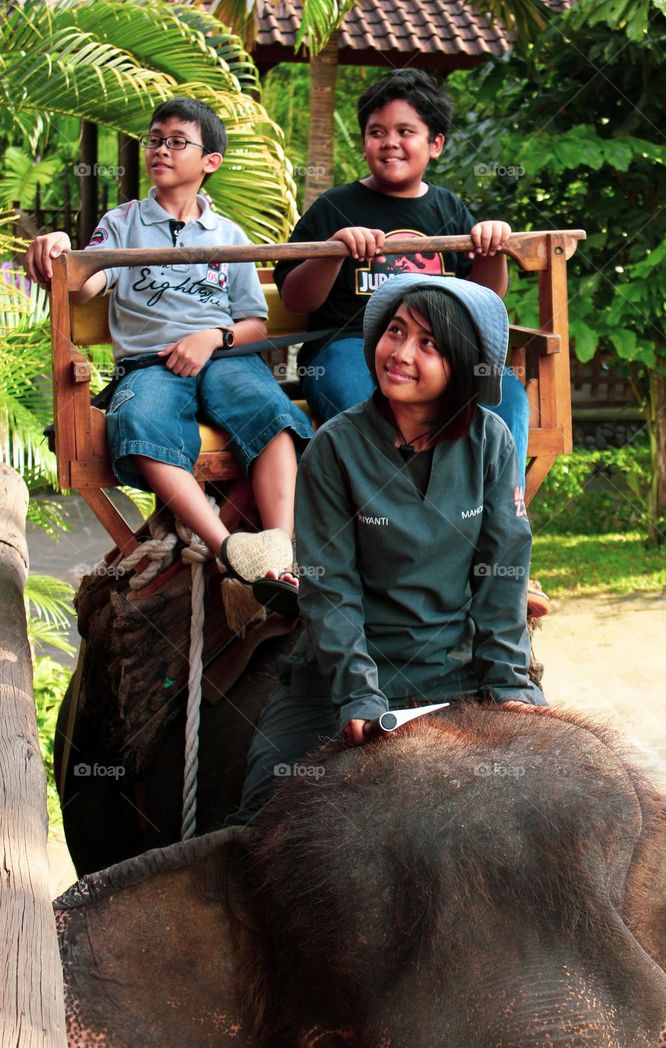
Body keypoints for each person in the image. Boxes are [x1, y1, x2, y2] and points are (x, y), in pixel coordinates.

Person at [234, 273, 547, 823]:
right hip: (341, 679)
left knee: (552, 800)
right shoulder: (335, 447)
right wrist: (358, 694)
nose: (400, 353)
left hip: (458, 670)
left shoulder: (491, 441)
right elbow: (329, 586)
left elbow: (502, 574)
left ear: (463, 364)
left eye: (428, 343)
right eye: (395, 332)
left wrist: (507, 685)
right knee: (263, 807)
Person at [276, 67, 549, 617]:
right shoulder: (334, 208)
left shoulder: (447, 209)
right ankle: (402, 555)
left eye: (406, 131)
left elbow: (483, 299)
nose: (390, 143)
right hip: (351, 349)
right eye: (377, 131)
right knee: (370, 403)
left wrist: (491, 249)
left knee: (507, 396)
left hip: (440, 353)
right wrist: (334, 251)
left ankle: (503, 557)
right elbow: (296, 297)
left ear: (436, 144)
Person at [25, 97, 312, 611]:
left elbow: (254, 324)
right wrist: (60, 249)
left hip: (224, 358)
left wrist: (212, 338)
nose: (161, 149)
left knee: (272, 414)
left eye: (177, 142)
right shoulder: (122, 223)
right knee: (140, 420)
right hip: (150, 364)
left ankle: (279, 552)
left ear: (210, 161)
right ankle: (229, 549)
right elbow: (85, 286)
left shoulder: (229, 236)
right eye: (155, 140)